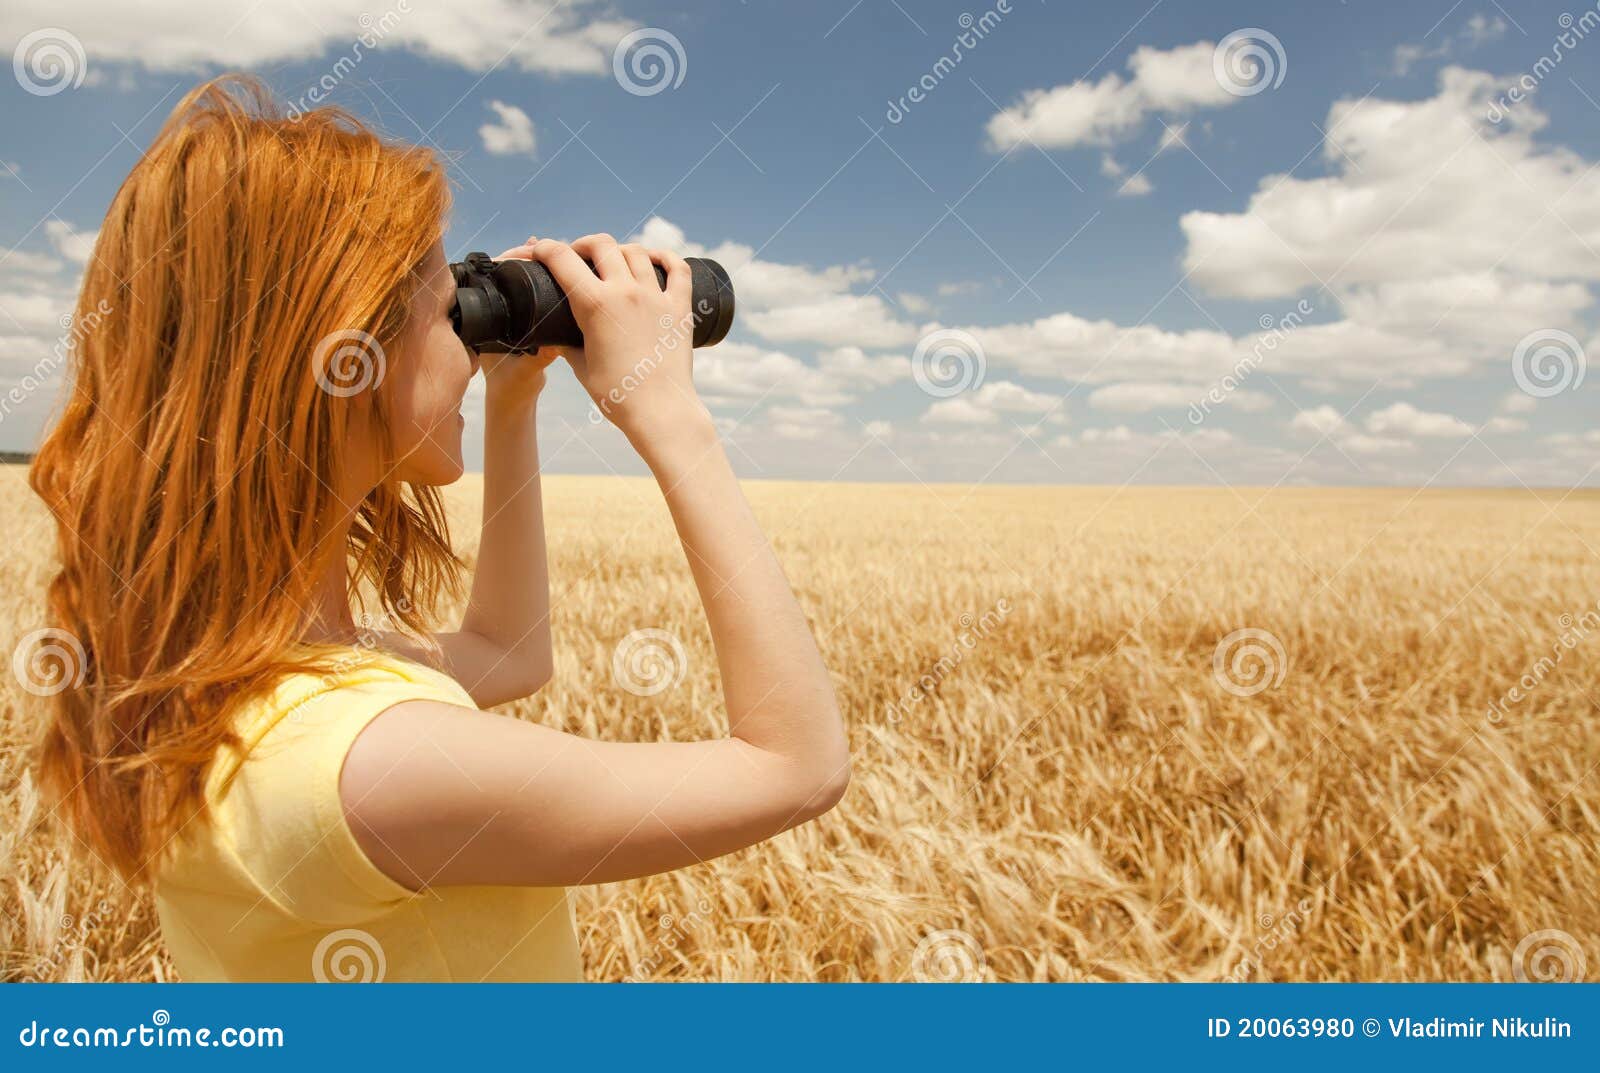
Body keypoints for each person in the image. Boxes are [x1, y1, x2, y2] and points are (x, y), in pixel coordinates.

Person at [27, 74, 849, 982]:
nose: (469, 334)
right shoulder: (370, 765)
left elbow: (508, 652)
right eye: (444, 298)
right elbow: (796, 766)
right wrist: (671, 419)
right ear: (343, 343)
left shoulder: (235, 675)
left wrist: (513, 396)